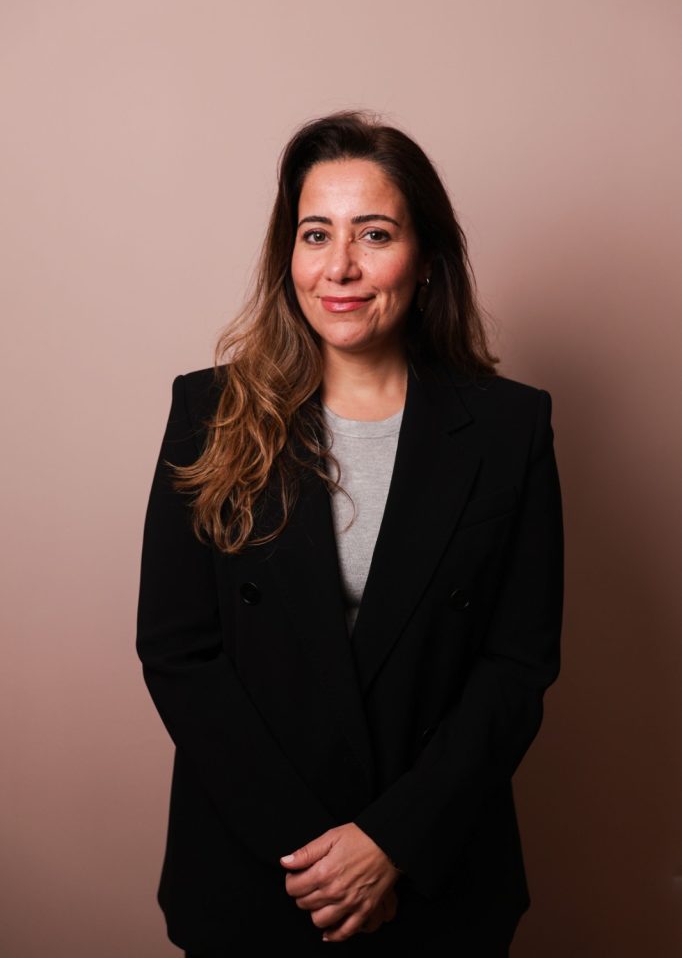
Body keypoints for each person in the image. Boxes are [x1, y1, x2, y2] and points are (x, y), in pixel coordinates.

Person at [136, 109, 564, 956]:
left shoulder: (508, 428)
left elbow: (517, 665)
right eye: (315, 234)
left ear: (426, 258)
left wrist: (392, 842)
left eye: (374, 234)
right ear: (288, 255)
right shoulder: (209, 412)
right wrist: (318, 855)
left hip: (436, 873)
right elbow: (178, 652)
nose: (340, 266)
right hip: (256, 870)